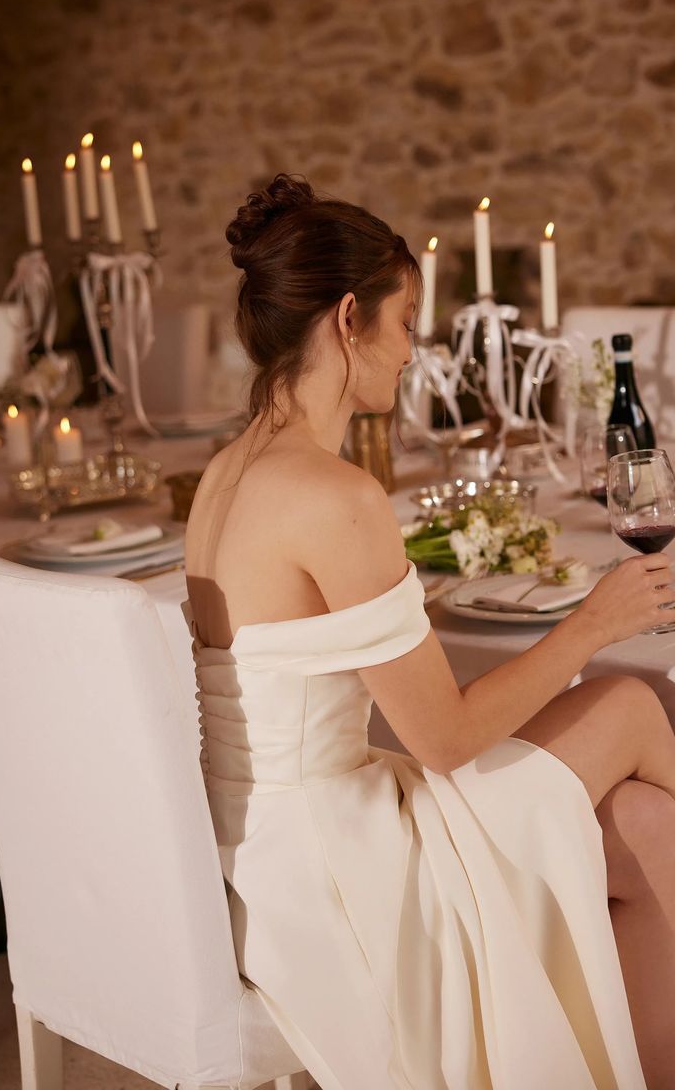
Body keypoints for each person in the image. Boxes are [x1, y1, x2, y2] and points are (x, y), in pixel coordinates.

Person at [184, 174, 675, 1090]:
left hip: (261, 851)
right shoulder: (336, 496)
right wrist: (593, 621)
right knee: (631, 702)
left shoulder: (226, 471)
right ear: (346, 320)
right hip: (341, 878)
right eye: (405, 322)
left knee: (649, 824)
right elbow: (445, 739)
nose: (414, 352)